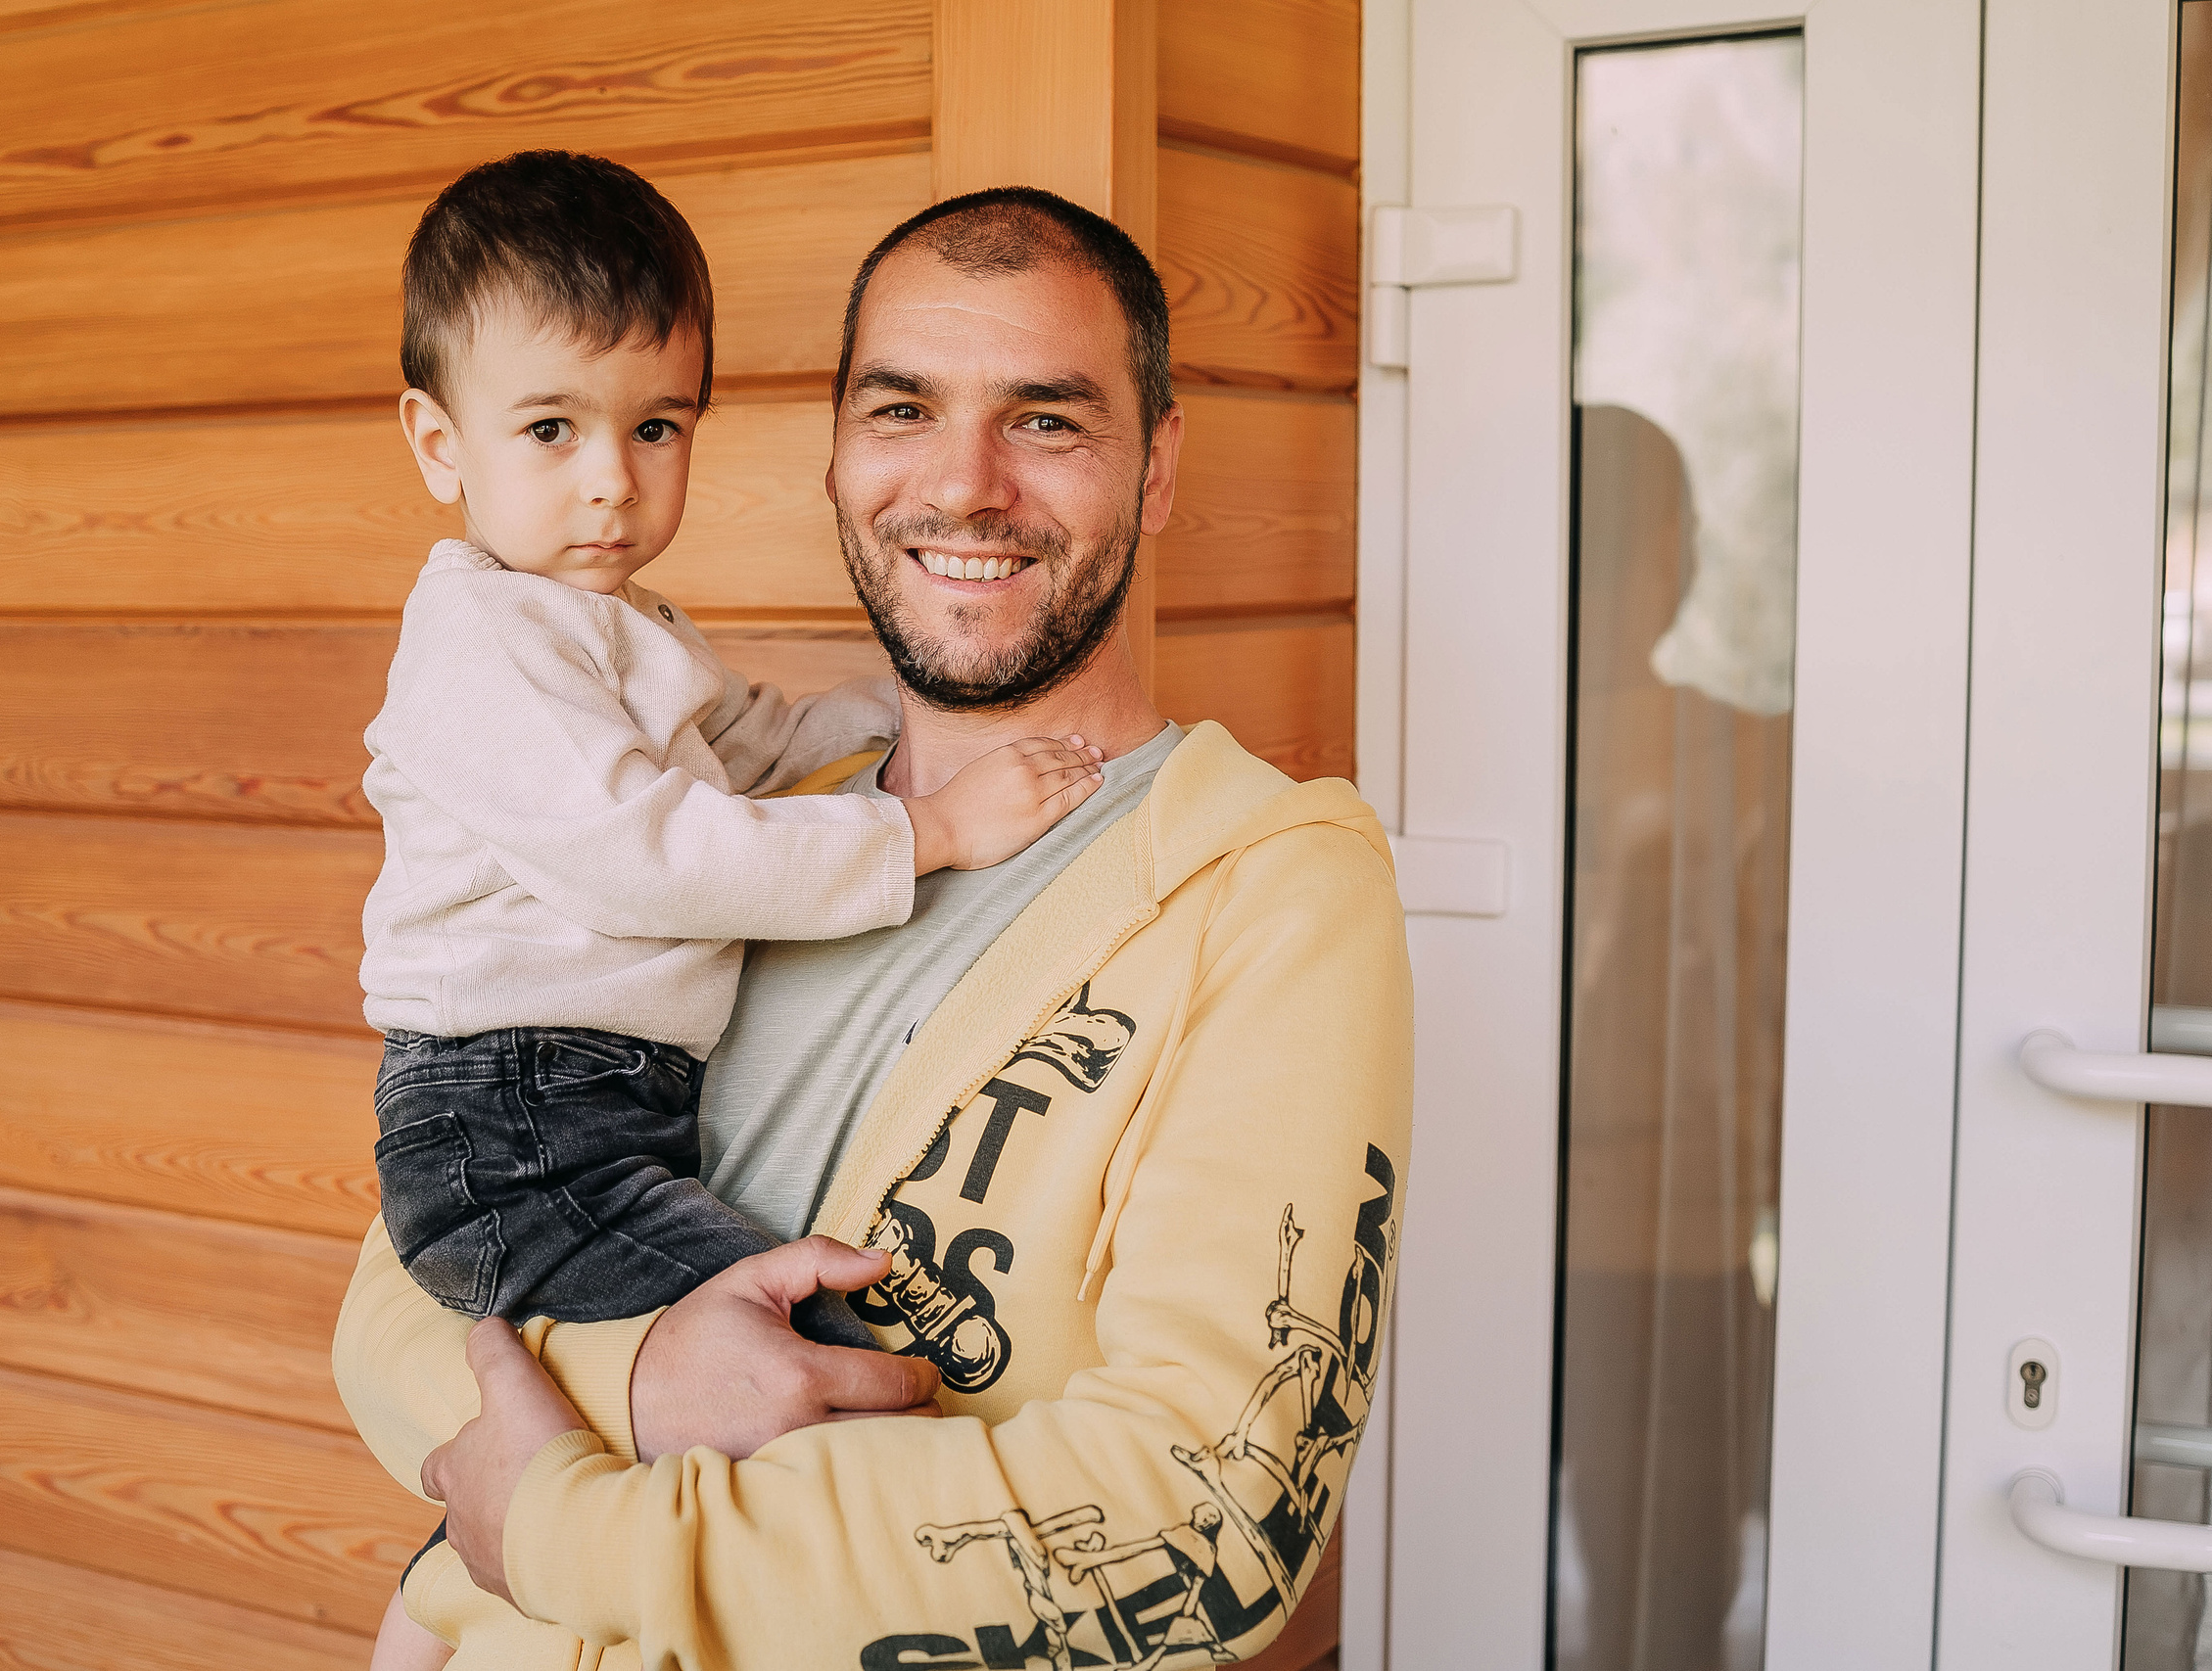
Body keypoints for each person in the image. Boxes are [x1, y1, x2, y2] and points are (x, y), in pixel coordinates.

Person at [334, 183, 1415, 1671]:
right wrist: (643, 1380)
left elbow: (1212, 1527)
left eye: (1046, 419)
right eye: (902, 410)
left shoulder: (1268, 891)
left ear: (1156, 467)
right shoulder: (739, 828)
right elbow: (392, 1310)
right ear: (838, 456)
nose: (965, 486)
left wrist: (562, 1522)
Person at [356, 153, 1106, 1669]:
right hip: (511, 1117)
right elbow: (650, 852)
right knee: (794, 1366)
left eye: (657, 427)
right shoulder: (479, 648)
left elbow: (740, 741)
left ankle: (444, 1600)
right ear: (439, 443)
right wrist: (928, 827)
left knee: (630, 1402)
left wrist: (885, 713)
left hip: (591, 1104)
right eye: (552, 430)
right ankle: (448, 1604)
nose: (612, 480)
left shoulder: (609, 622)